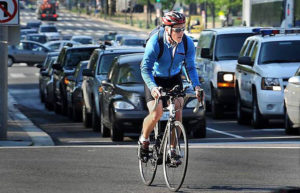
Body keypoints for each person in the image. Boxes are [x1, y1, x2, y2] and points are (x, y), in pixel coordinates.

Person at [139, 11, 203, 162]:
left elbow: (190, 67)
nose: (181, 32)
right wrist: (153, 88)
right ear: (168, 29)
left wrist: (197, 86)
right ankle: (144, 139)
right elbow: (145, 68)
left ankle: (172, 150)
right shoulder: (155, 42)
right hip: (154, 79)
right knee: (157, 113)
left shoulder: (187, 44)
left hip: (174, 78)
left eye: (183, 28)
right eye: (178, 29)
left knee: (178, 111)